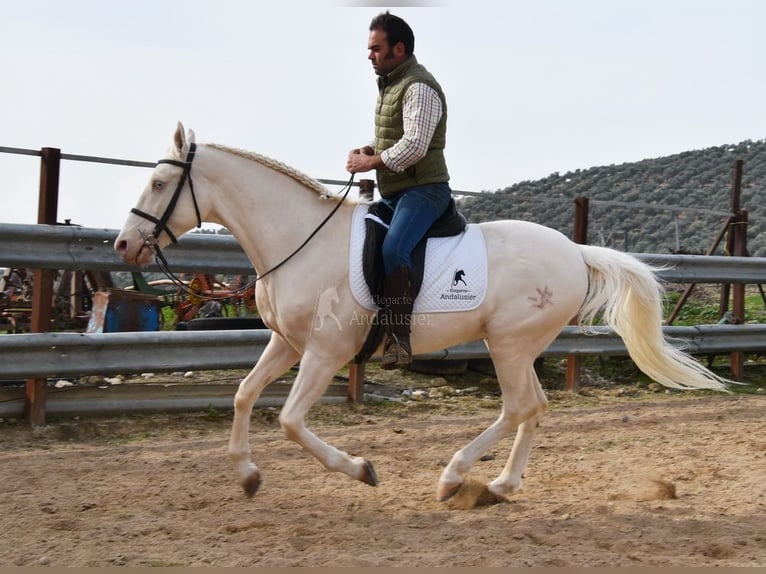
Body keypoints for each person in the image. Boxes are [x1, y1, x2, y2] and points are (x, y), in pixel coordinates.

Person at [346, 11, 452, 370]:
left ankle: (400, 340)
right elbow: (391, 139)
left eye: (376, 48)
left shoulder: (419, 86)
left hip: (425, 190)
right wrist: (369, 151)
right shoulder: (392, 84)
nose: (370, 55)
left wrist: (371, 164)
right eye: (369, 49)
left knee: (394, 249)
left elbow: (415, 147)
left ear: (399, 48)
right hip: (397, 191)